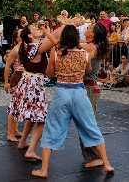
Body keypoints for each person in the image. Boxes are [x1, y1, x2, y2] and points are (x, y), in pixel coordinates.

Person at [31, 25, 114, 178]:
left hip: (63, 92)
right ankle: (107, 163)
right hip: (80, 92)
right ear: (77, 38)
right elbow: (87, 70)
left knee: (52, 129)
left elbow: (49, 74)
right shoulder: (85, 53)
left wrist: (49, 37)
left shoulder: (56, 53)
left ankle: (44, 170)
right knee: (91, 126)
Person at [8, 25, 50, 162]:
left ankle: (22, 142)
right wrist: (47, 31)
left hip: (28, 82)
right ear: (30, 36)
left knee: (33, 116)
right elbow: (55, 40)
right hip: (33, 84)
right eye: (35, 29)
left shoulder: (28, 46)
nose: (39, 29)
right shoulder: (35, 46)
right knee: (41, 119)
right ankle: (31, 150)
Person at [79, 22, 109, 168]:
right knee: (85, 123)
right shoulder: (91, 45)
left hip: (90, 89)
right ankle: (93, 156)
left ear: (94, 34)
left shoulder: (92, 47)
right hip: (87, 88)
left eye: (89, 29)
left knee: (88, 124)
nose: (86, 30)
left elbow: (72, 43)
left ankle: (97, 157)